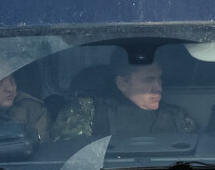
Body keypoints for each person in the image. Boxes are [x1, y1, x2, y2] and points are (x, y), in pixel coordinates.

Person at [51, 52, 196, 140]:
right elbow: (69, 157)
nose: (158, 88)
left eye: (159, 79)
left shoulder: (175, 116)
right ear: (123, 83)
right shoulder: (86, 110)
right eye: (148, 80)